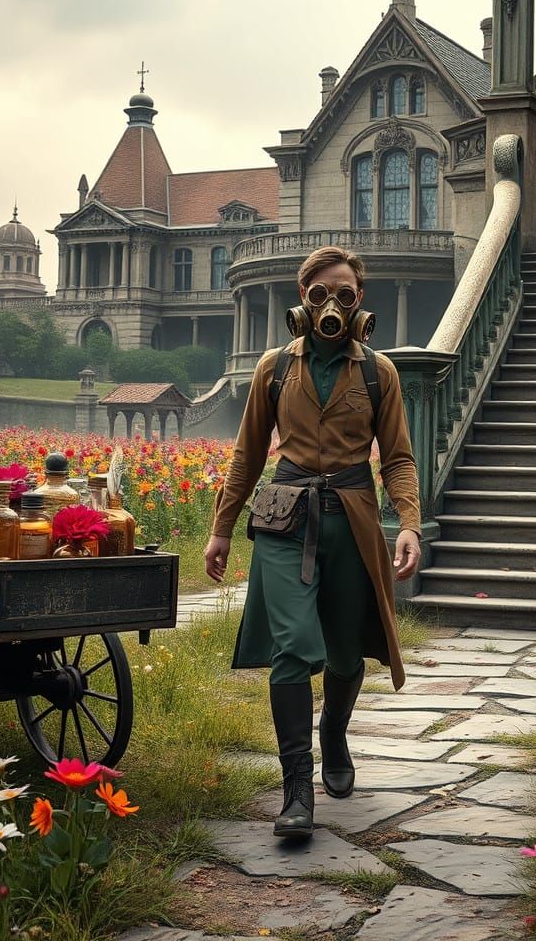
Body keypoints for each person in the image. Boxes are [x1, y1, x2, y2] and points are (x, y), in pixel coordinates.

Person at [204, 246, 421, 840]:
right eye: (320, 293)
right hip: (284, 515)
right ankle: (297, 788)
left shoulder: (380, 372)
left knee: (347, 651)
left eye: (345, 295)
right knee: (294, 650)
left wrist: (408, 523)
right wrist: (221, 528)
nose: (332, 304)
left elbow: (398, 456)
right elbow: (248, 453)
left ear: (360, 303)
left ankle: (334, 735)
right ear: (302, 300)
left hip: (352, 517)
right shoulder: (274, 367)